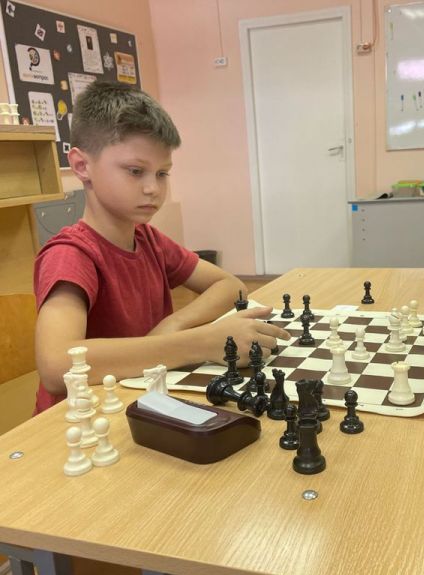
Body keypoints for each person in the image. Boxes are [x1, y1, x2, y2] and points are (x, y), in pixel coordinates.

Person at [33, 81, 283, 416]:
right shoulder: (71, 254)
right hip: (78, 422)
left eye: (163, 173)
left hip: (138, 402)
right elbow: (55, 365)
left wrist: (172, 327)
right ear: (81, 165)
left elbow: (231, 285)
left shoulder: (149, 240)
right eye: (135, 171)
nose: (153, 188)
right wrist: (200, 342)